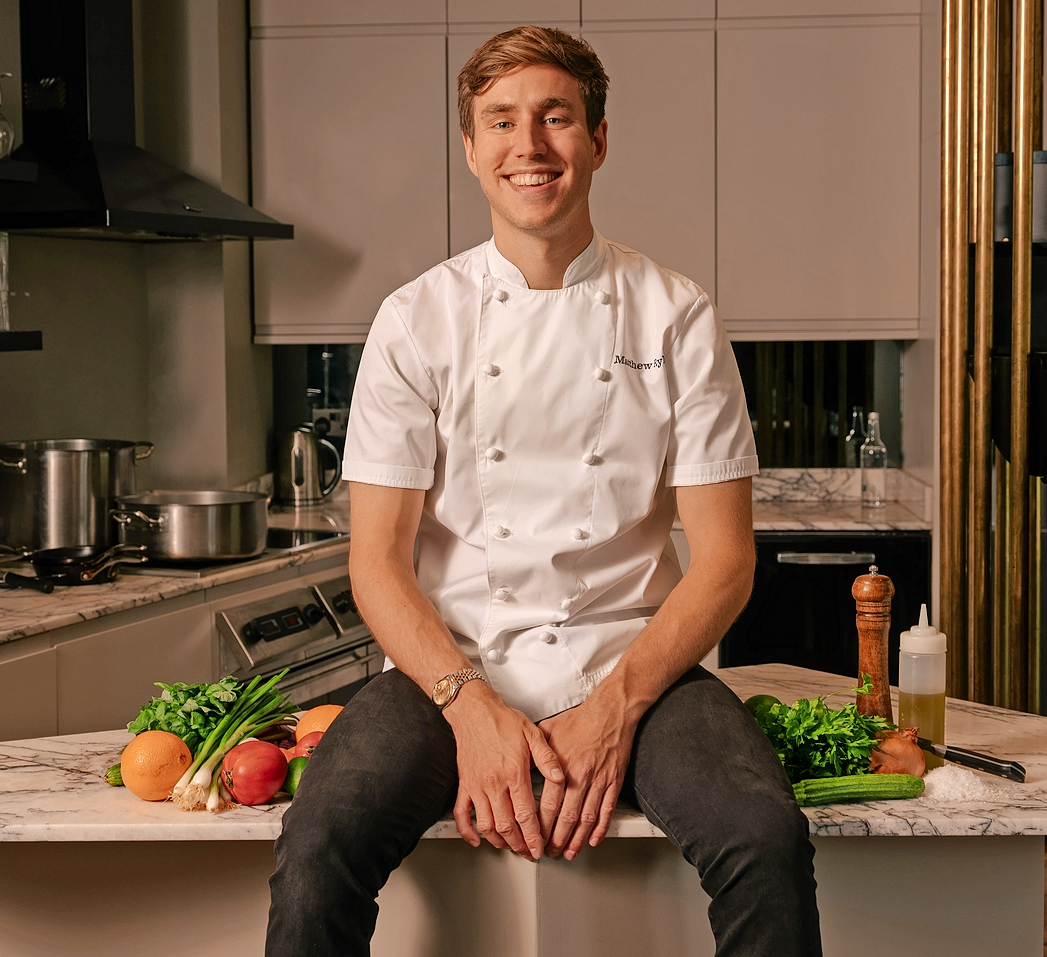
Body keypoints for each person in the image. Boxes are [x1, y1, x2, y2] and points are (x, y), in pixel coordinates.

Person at [266, 24, 821, 957]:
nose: (529, 146)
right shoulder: (415, 321)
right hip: (450, 665)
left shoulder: (675, 311)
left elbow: (723, 562)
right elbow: (377, 562)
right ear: (472, 149)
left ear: (597, 140)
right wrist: (472, 709)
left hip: (638, 659)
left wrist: (615, 706)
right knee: (321, 840)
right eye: (501, 122)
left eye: (555, 117)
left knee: (762, 838)